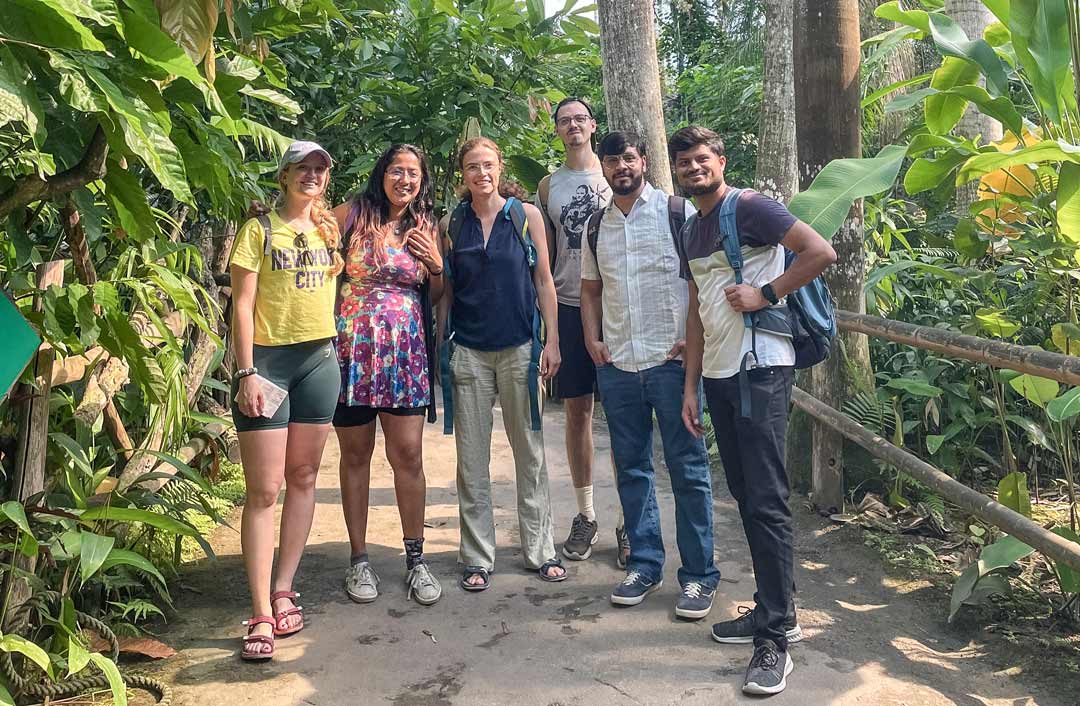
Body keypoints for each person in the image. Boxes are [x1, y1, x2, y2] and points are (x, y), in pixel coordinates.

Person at [669, 125, 836, 696]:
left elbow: (820, 251)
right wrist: (689, 386)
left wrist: (766, 294)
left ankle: (776, 640)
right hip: (718, 374)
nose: (694, 167)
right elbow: (695, 309)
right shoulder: (691, 228)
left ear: (722, 159)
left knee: (765, 500)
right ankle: (771, 610)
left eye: (702, 158)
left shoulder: (752, 208)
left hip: (761, 368)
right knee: (745, 495)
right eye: (685, 161)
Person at [579, 131, 718, 620]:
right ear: (603, 166)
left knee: (689, 471)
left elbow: (703, 283)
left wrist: (693, 342)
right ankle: (644, 563)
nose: (621, 166)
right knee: (632, 469)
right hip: (618, 365)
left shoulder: (677, 215)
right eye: (612, 159)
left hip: (671, 363)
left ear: (644, 161)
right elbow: (591, 290)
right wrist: (592, 340)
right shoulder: (595, 227)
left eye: (629, 157)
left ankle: (700, 577)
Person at [230, 141, 344, 661]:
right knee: (264, 489)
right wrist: (247, 371)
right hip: (269, 366)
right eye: (304, 168)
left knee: (303, 478)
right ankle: (257, 611)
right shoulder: (257, 229)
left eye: (320, 169)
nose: (313, 176)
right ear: (285, 175)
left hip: (320, 361)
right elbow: (243, 303)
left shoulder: (328, 229)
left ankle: (284, 588)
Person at [440, 137, 567, 590]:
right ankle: (477, 555)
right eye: (473, 167)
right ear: (463, 174)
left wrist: (551, 342)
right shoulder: (451, 223)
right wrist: (444, 348)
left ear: (500, 168)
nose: (482, 174)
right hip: (470, 352)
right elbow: (448, 293)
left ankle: (541, 549)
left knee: (529, 454)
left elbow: (545, 281)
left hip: (520, 348)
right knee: (470, 461)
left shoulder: (525, 215)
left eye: (488, 165)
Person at [331, 144, 444, 607]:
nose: (404, 179)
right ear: (382, 173)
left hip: (405, 356)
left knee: (408, 457)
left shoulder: (428, 225)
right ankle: (359, 558)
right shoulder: (351, 215)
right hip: (351, 353)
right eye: (396, 170)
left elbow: (436, 296)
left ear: (422, 179)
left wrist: (437, 264)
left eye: (413, 173)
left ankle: (416, 560)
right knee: (355, 457)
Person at [536, 97, 626, 566]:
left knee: (624, 415)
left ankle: (629, 522)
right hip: (570, 308)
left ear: (592, 125)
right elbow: (545, 261)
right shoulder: (549, 185)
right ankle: (586, 514)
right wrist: (547, 327)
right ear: (557, 130)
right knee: (577, 413)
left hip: (617, 308)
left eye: (579, 119)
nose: (573, 126)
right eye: (564, 120)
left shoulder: (613, 176)